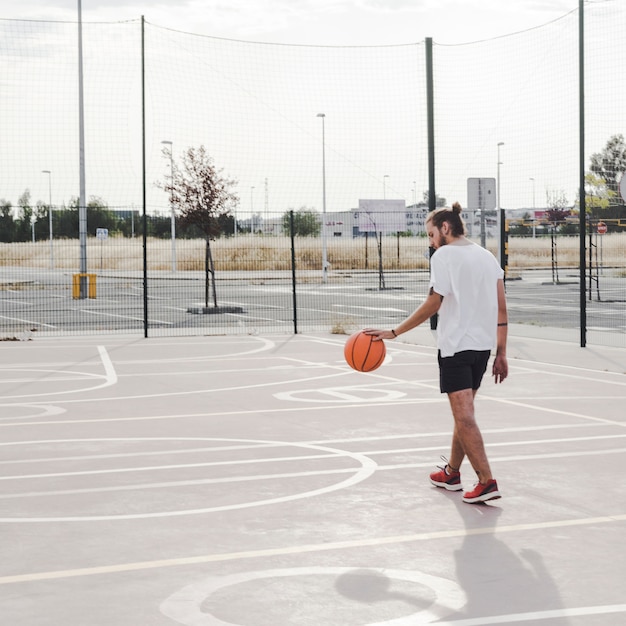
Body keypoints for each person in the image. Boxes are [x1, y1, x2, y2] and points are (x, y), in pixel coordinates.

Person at [365, 202, 508, 504]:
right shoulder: (487, 257)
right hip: (482, 349)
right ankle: (452, 473)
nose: (430, 242)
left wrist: (394, 332)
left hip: (456, 347)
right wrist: (501, 352)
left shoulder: (444, 256)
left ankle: (486, 481)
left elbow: (434, 302)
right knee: (463, 415)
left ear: (445, 228)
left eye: (431, 235)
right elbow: (502, 308)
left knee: (465, 417)